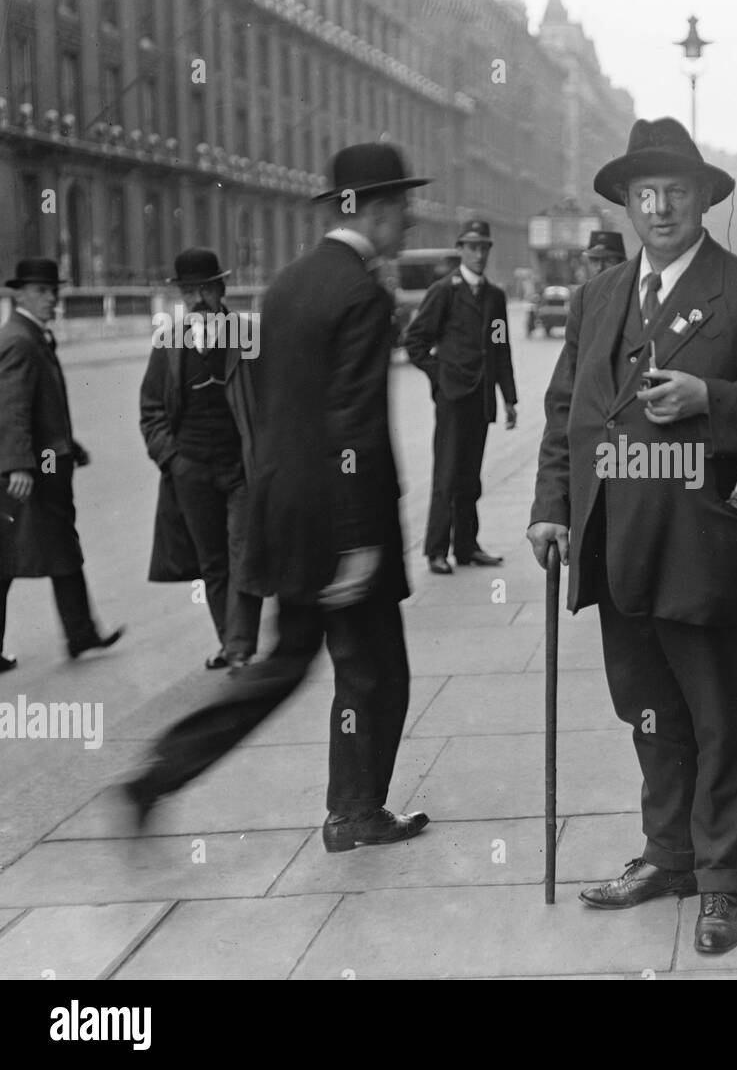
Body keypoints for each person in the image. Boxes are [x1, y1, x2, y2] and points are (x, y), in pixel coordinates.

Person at [528, 117, 737, 955]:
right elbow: (564, 416)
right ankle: (671, 854)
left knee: (718, 716)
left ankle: (723, 882)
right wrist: (552, 506)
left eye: (676, 191)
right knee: (647, 709)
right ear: (625, 203)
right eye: (643, 193)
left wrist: (710, 400)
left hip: (707, 543)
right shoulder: (598, 298)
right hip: (619, 541)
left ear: (702, 199)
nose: (659, 207)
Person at [123, 143, 432, 854]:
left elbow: (271, 409)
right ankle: (353, 811)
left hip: (285, 513)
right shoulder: (363, 293)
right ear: (375, 211)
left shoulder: (286, 286)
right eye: (402, 209)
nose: (409, 222)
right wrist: (357, 542)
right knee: (374, 671)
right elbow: (352, 423)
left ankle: (161, 772)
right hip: (342, 524)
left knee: (287, 665)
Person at [140, 248, 262, 670]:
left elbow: (270, 401)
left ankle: (241, 645)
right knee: (212, 563)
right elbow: (151, 409)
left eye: (205, 289)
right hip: (191, 469)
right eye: (188, 291)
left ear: (221, 288)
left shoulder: (247, 336)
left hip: (240, 468)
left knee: (243, 554)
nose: (197, 300)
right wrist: (172, 459)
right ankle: (231, 643)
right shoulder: (169, 343)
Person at [0, 258, 124, 669]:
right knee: (14, 557)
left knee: (54, 549)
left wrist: (69, 443)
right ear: (18, 293)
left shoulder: (32, 335)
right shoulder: (20, 340)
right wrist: (17, 464)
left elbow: (41, 407)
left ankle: (81, 634)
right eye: (41, 291)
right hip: (29, 473)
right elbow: (13, 408)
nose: (51, 298)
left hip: (44, 465)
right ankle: (80, 633)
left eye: (53, 290)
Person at [402, 219, 517, 575]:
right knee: (447, 475)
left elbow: (500, 348)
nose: (479, 253)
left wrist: (509, 398)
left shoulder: (495, 297)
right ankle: (436, 549)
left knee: (470, 476)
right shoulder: (445, 291)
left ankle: (466, 546)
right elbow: (415, 341)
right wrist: (441, 377)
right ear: (461, 250)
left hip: (480, 398)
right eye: (473, 247)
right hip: (453, 398)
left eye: (484, 247)